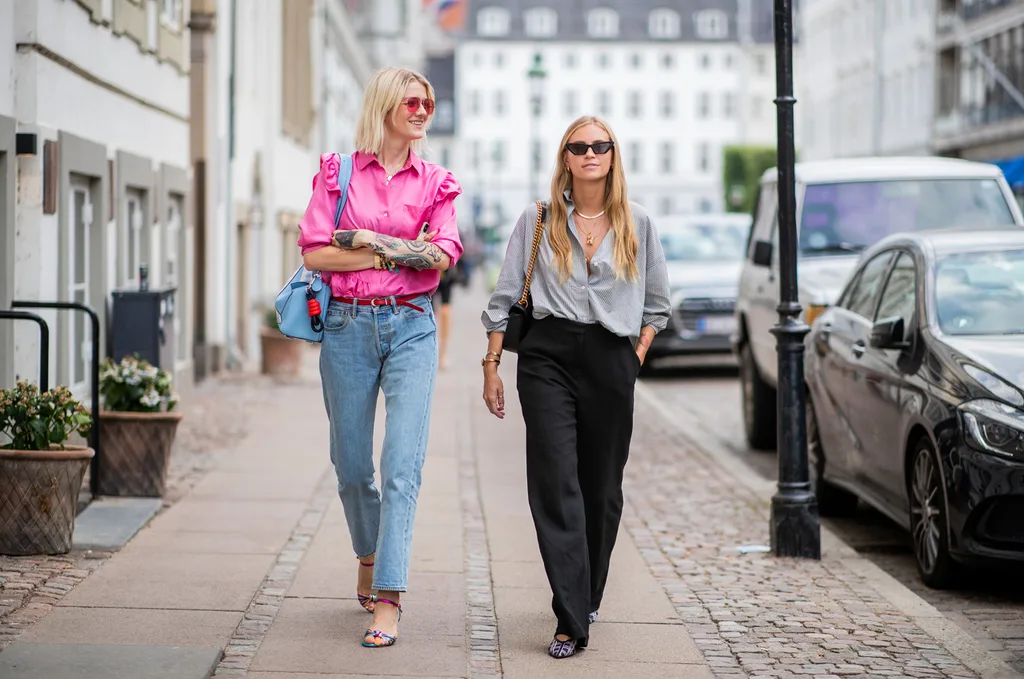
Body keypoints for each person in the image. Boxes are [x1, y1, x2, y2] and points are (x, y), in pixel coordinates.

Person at [480, 115, 671, 658]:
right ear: (565, 157)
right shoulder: (538, 219)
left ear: (613, 155)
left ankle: (587, 593)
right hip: (547, 359)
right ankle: (570, 616)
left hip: (612, 358)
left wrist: (634, 357)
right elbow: (503, 297)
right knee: (555, 480)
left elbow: (656, 306)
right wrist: (492, 365)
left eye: (600, 145)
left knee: (602, 490)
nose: (590, 153)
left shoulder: (639, 224)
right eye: (579, 146)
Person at [297, 67, 463, 648]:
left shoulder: (437, 182)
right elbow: (317, 255)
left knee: (401, 467)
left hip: (413, 329)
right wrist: (398, 253)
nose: (421, 110)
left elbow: (441, 257)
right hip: (345, 329)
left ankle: (389, 597)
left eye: (428, 103)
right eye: (411, 102)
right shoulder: (338, 173)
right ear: (386, 105)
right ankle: (367, 551)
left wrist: (366, 243)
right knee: (350, 468)